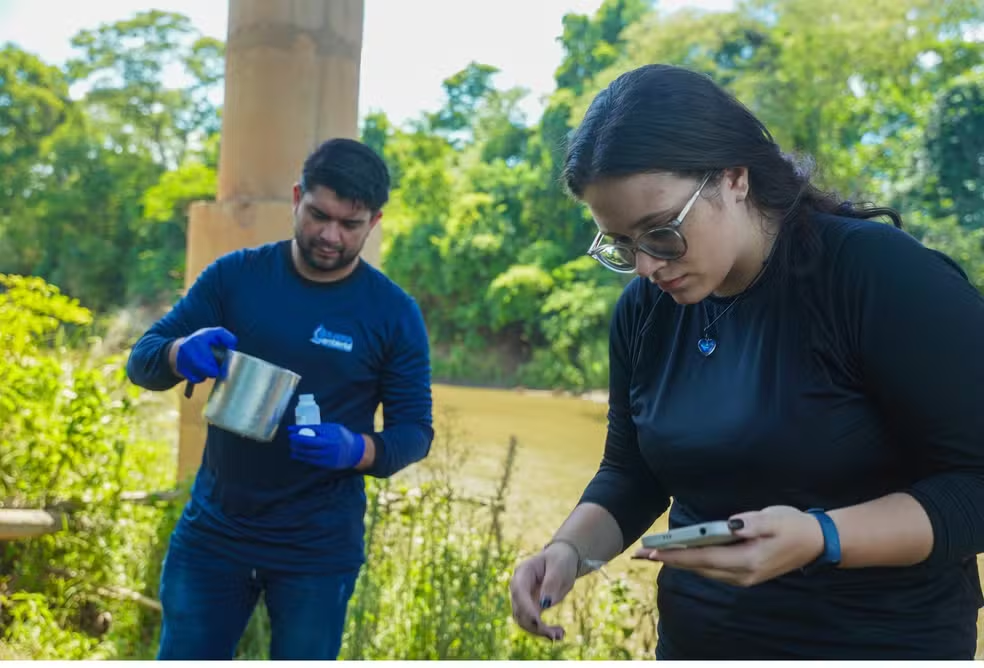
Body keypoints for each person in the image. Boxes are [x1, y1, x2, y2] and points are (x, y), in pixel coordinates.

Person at [508, 64, 984, 660]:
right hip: (697, 643)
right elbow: (633, 472)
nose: (646, 266)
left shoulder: (876, 276)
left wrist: (821, 536)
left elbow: (975, 485)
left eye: (660, 232)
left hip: (879, 641)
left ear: (734, 177)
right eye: (622, 245)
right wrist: (568, 552)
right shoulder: (646, 310)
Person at [127, 138, 433, 660]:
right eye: (318, 215)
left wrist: (356, 449)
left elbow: (414, 433)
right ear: (297, 196)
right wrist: (180, 353)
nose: (330, 235)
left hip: (317, 549)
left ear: (374, 222)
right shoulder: (235, 276)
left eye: (349, 224)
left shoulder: (392, 313)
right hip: (214, 535)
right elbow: (142, 359)